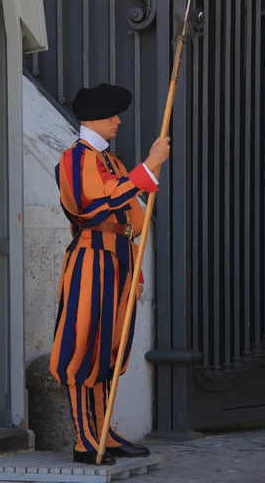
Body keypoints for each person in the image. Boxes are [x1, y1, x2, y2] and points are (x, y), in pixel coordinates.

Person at [50, 83, 170, 465]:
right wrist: (148, 166)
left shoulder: (113, 162)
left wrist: (134, 268)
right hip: (91, 257)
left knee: (110, 349)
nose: (118, 121)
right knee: (82, 343)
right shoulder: (74, 159)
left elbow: (132, 212)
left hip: (117, 259)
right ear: (94, 119)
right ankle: (85, 438)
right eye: (112, 115)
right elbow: (94, 204)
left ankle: (103, 429)